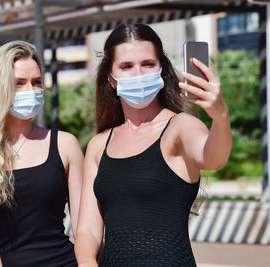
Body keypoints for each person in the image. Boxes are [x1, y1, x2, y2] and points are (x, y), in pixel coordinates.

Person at [75, 24, 232, 266]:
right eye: (126, 66)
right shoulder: (98, 145)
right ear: (111, 79)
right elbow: (88, 230)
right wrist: (87, 262)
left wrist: (220, 117)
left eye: (148, 64)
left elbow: (213, 158)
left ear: (161, 69)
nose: (138, 74)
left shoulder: (180, 127)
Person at [0, 40, 83, 267]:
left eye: (37, 82)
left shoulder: (65, 144)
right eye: (19, 83)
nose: (30, 91)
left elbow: (84, 227)